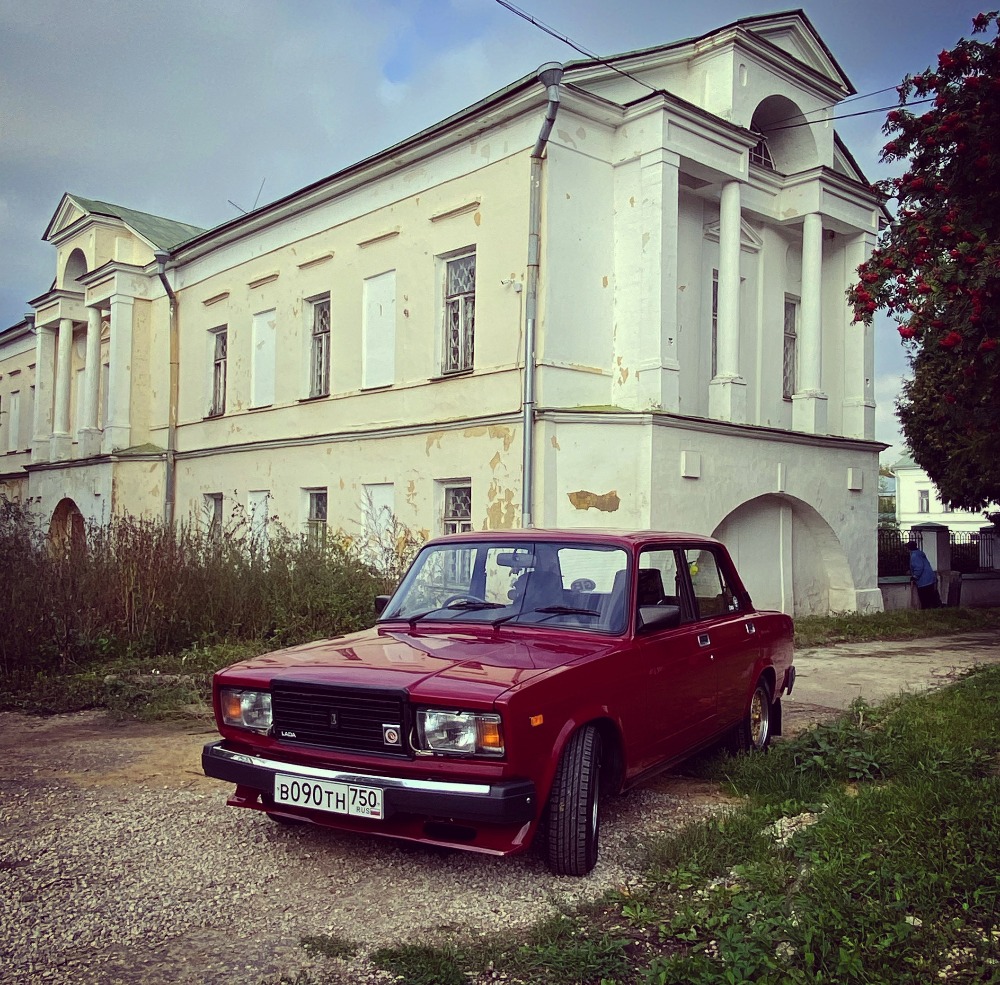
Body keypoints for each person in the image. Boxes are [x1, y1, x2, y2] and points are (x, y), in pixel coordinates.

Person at [907, 540, 941, 608]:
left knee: (925, 601)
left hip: (923, 581)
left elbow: (919, 567)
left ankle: (927, 613)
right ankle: (938, 610)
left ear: (909, 548)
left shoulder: (914, 555)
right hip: (931, 579)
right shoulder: (920, 553)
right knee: (933, 599)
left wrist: (915, 576)